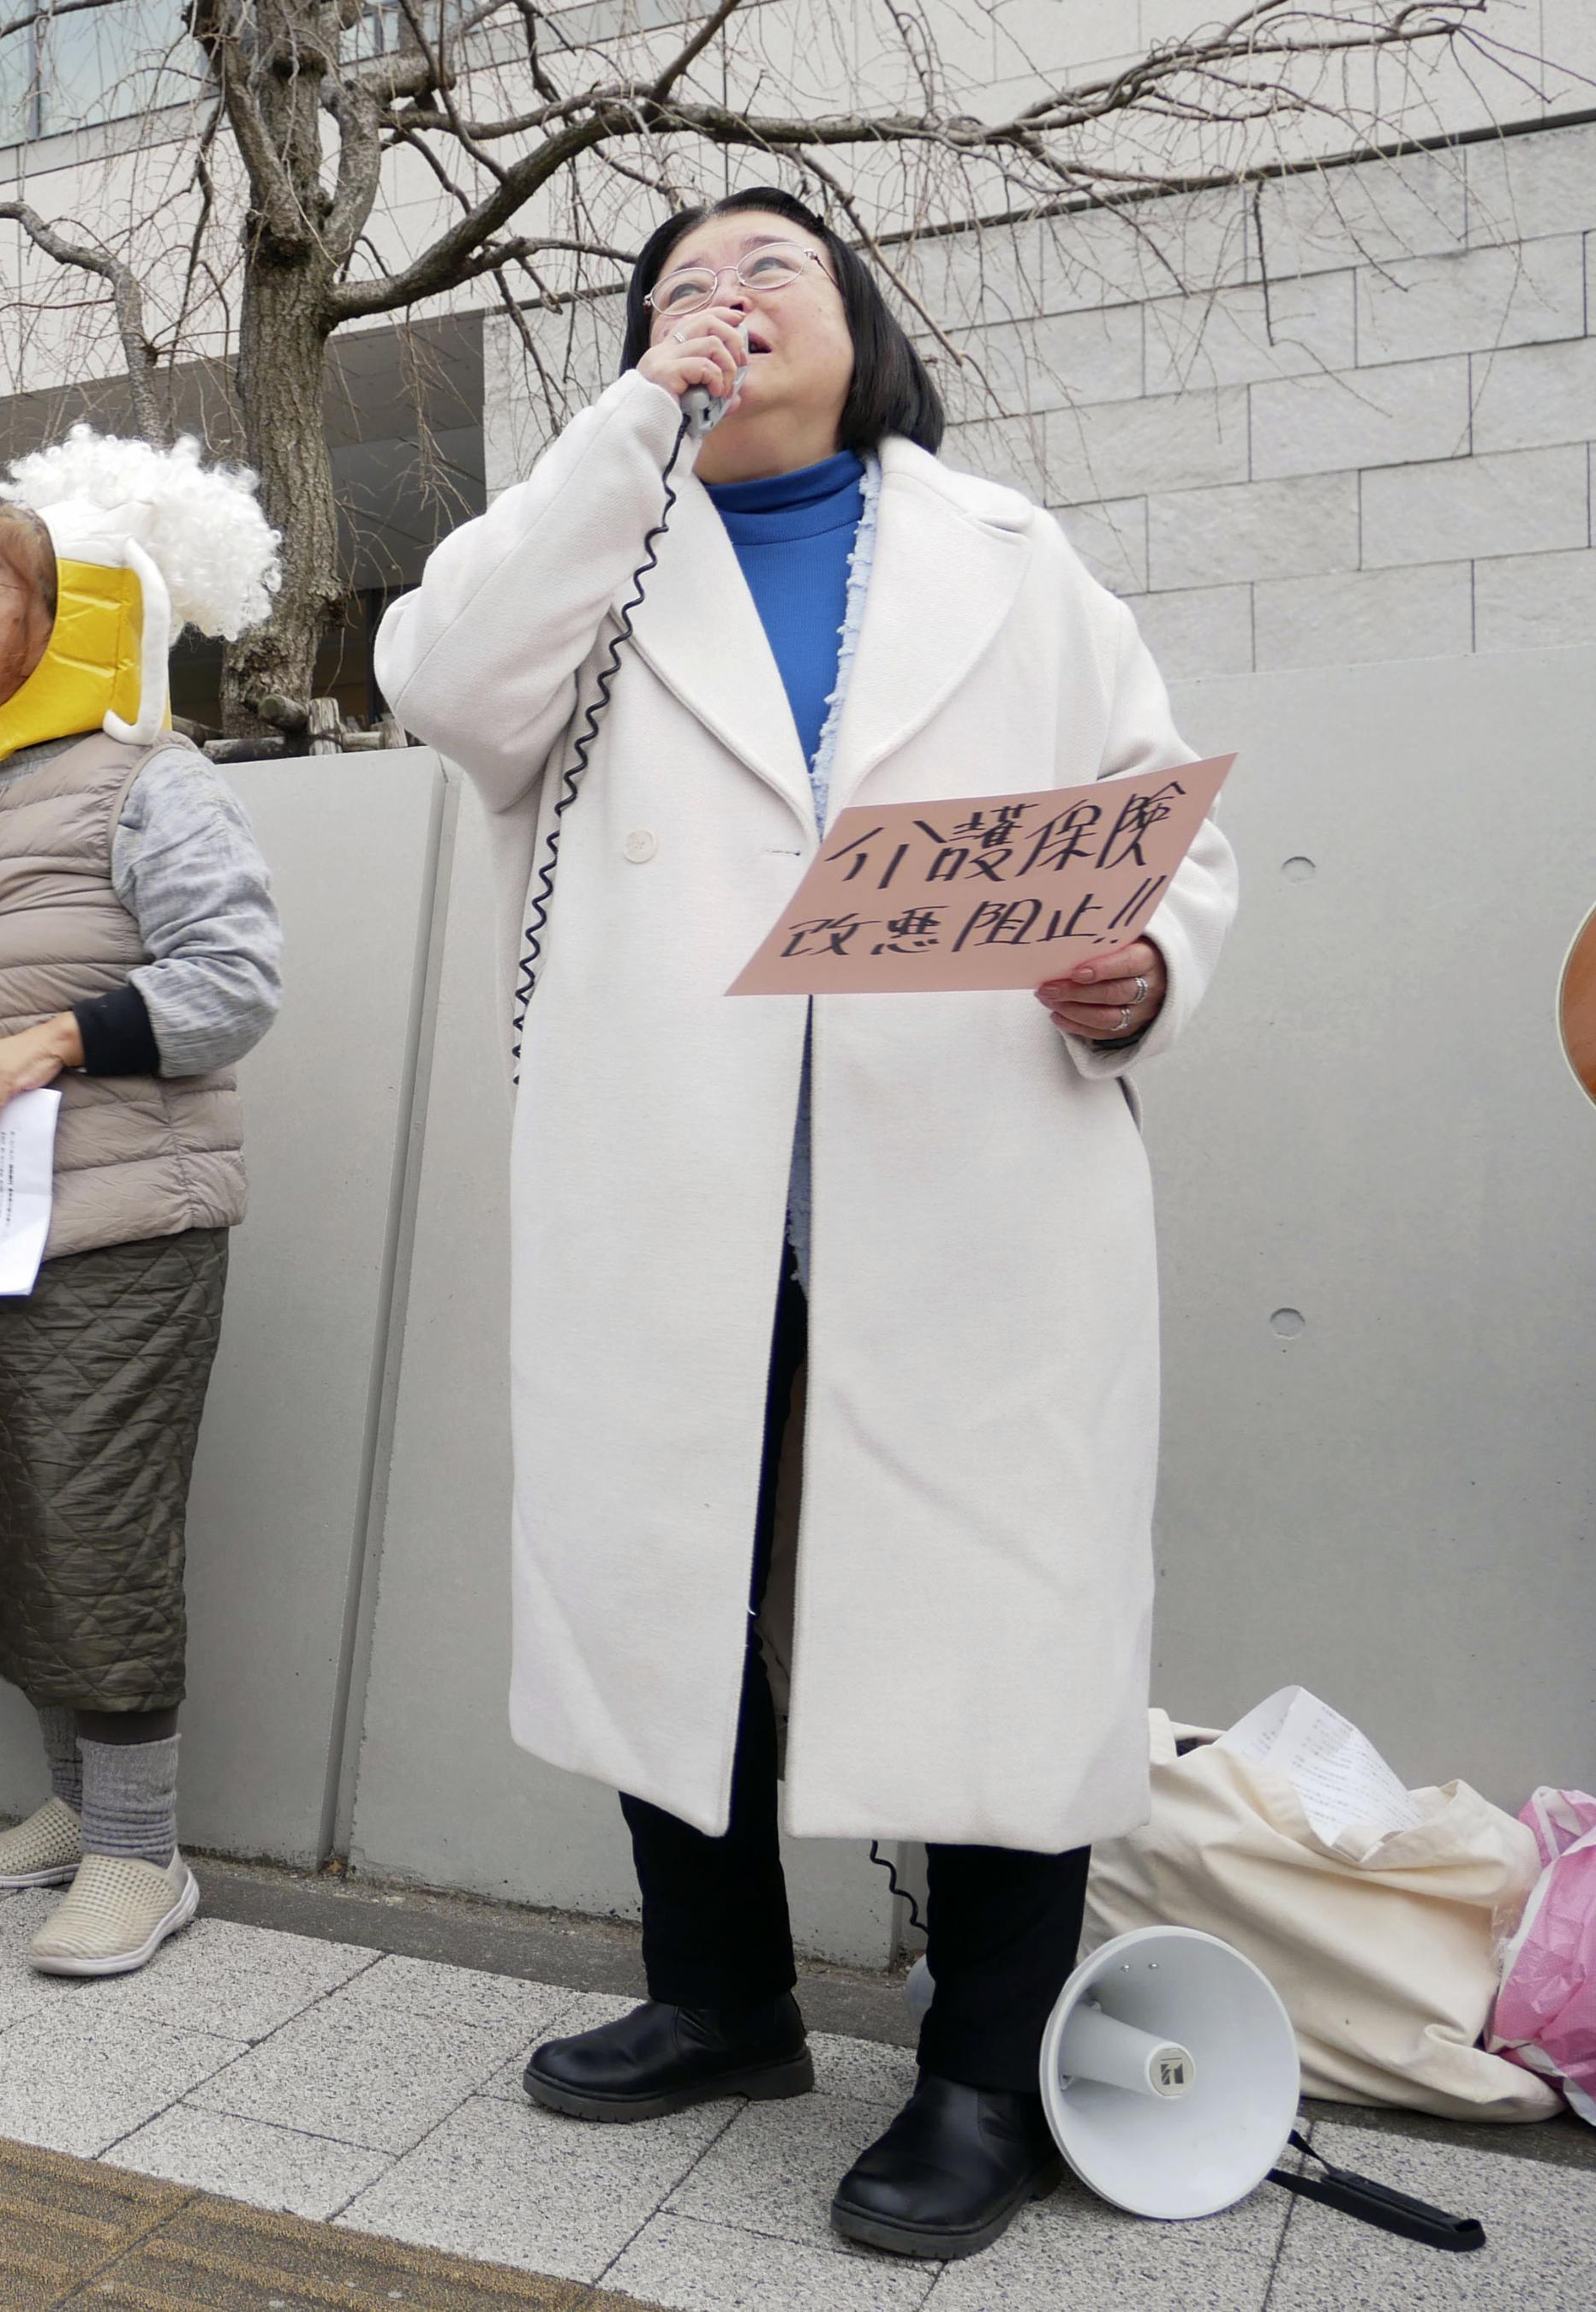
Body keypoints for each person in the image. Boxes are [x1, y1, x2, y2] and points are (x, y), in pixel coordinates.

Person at [373, 188, 1237, 2261]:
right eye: (675, 287)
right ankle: (718, 1996)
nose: (721, 303)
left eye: (767, 272)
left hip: (968, 1175)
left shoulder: (1008, 562)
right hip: (666, 1177)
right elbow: (442, 681)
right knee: (667, 1584)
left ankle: (981, 2073)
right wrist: (619, 435)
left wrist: (1144, 972)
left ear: (857, 324)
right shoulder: (589, 551)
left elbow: (1157, 835)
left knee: (986, 1605)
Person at [0, 431, 282, 1975]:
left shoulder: (156, 782)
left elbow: (235, 983)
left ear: (76, 614)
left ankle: (143, 1856)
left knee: (91, 1526)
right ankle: (76, 1804)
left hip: (117, 1228)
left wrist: (60, 1034)